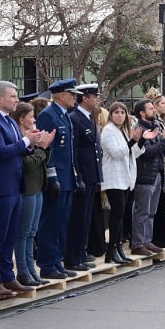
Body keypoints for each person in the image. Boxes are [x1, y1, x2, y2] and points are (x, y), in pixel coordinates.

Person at [0, 81, 48, 299]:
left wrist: (34, 143)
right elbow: (0, 152)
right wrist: (26, 140)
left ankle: (8, 276)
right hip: (0, 186)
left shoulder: (7, 121)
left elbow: (20, 151)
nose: (17, 100)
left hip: (14, 185)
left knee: (10, 235)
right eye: (13, 96)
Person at [36, 79, 81, 280]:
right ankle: (47, 264)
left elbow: (69, 151)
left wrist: (75, 175)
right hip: (56, 178)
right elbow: (48, 150)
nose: (74, 98)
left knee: (62, 222)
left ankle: (57, 262)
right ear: (61, 95)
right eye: (72, 94)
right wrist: (51, 176)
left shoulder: (64, 115)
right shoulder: (48, 115)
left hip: (67, 177)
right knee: (51, 222)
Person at [12, 101, 54, 286]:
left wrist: (44, 147)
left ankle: (31, 270)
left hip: (37, 186)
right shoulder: (20, 138)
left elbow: (42, 161)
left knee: (32, 232)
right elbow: (27, 165)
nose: (34, 119)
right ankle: (23, 271)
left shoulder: (31, 136)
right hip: (27, 188)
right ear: (22, 119)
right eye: (31, 116)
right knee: (24, 232)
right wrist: (40, 148)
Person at [131, 98, 165, 256]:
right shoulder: (139, 129)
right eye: (150, 108)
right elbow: (147, 153)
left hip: (157, 173)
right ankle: (138, 243)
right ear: (142, 113)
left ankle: (147, 240)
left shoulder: (154, 126)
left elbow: (161, 152)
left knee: (151, 212)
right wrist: (164, 141)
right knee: (142, 211)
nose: (154, 111)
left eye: (153, 108)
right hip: (144, 175)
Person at [67, 84, 103, 271]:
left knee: (87, 217)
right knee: (78, 218)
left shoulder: (88, 117)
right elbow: (75, 151)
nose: (97, 99)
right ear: (84, 98)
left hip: (91, 174)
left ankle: (80, 253)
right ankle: (73, 256)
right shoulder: (75, 118)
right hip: (82, 175)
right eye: (93, 96)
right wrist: (77, 175)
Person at [100, 101, 140, 264]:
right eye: (116, 112)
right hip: (114, 178)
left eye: (122, 112)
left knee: (122, 214)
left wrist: (140, 141)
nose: (120, 115)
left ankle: (118, 248)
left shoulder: (123, 130)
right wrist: (131, 141)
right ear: (111, 115)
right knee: (116, 214)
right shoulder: (108, 131)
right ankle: (111, 251)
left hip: (126, 177)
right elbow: (116, 153)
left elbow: (133, 153)